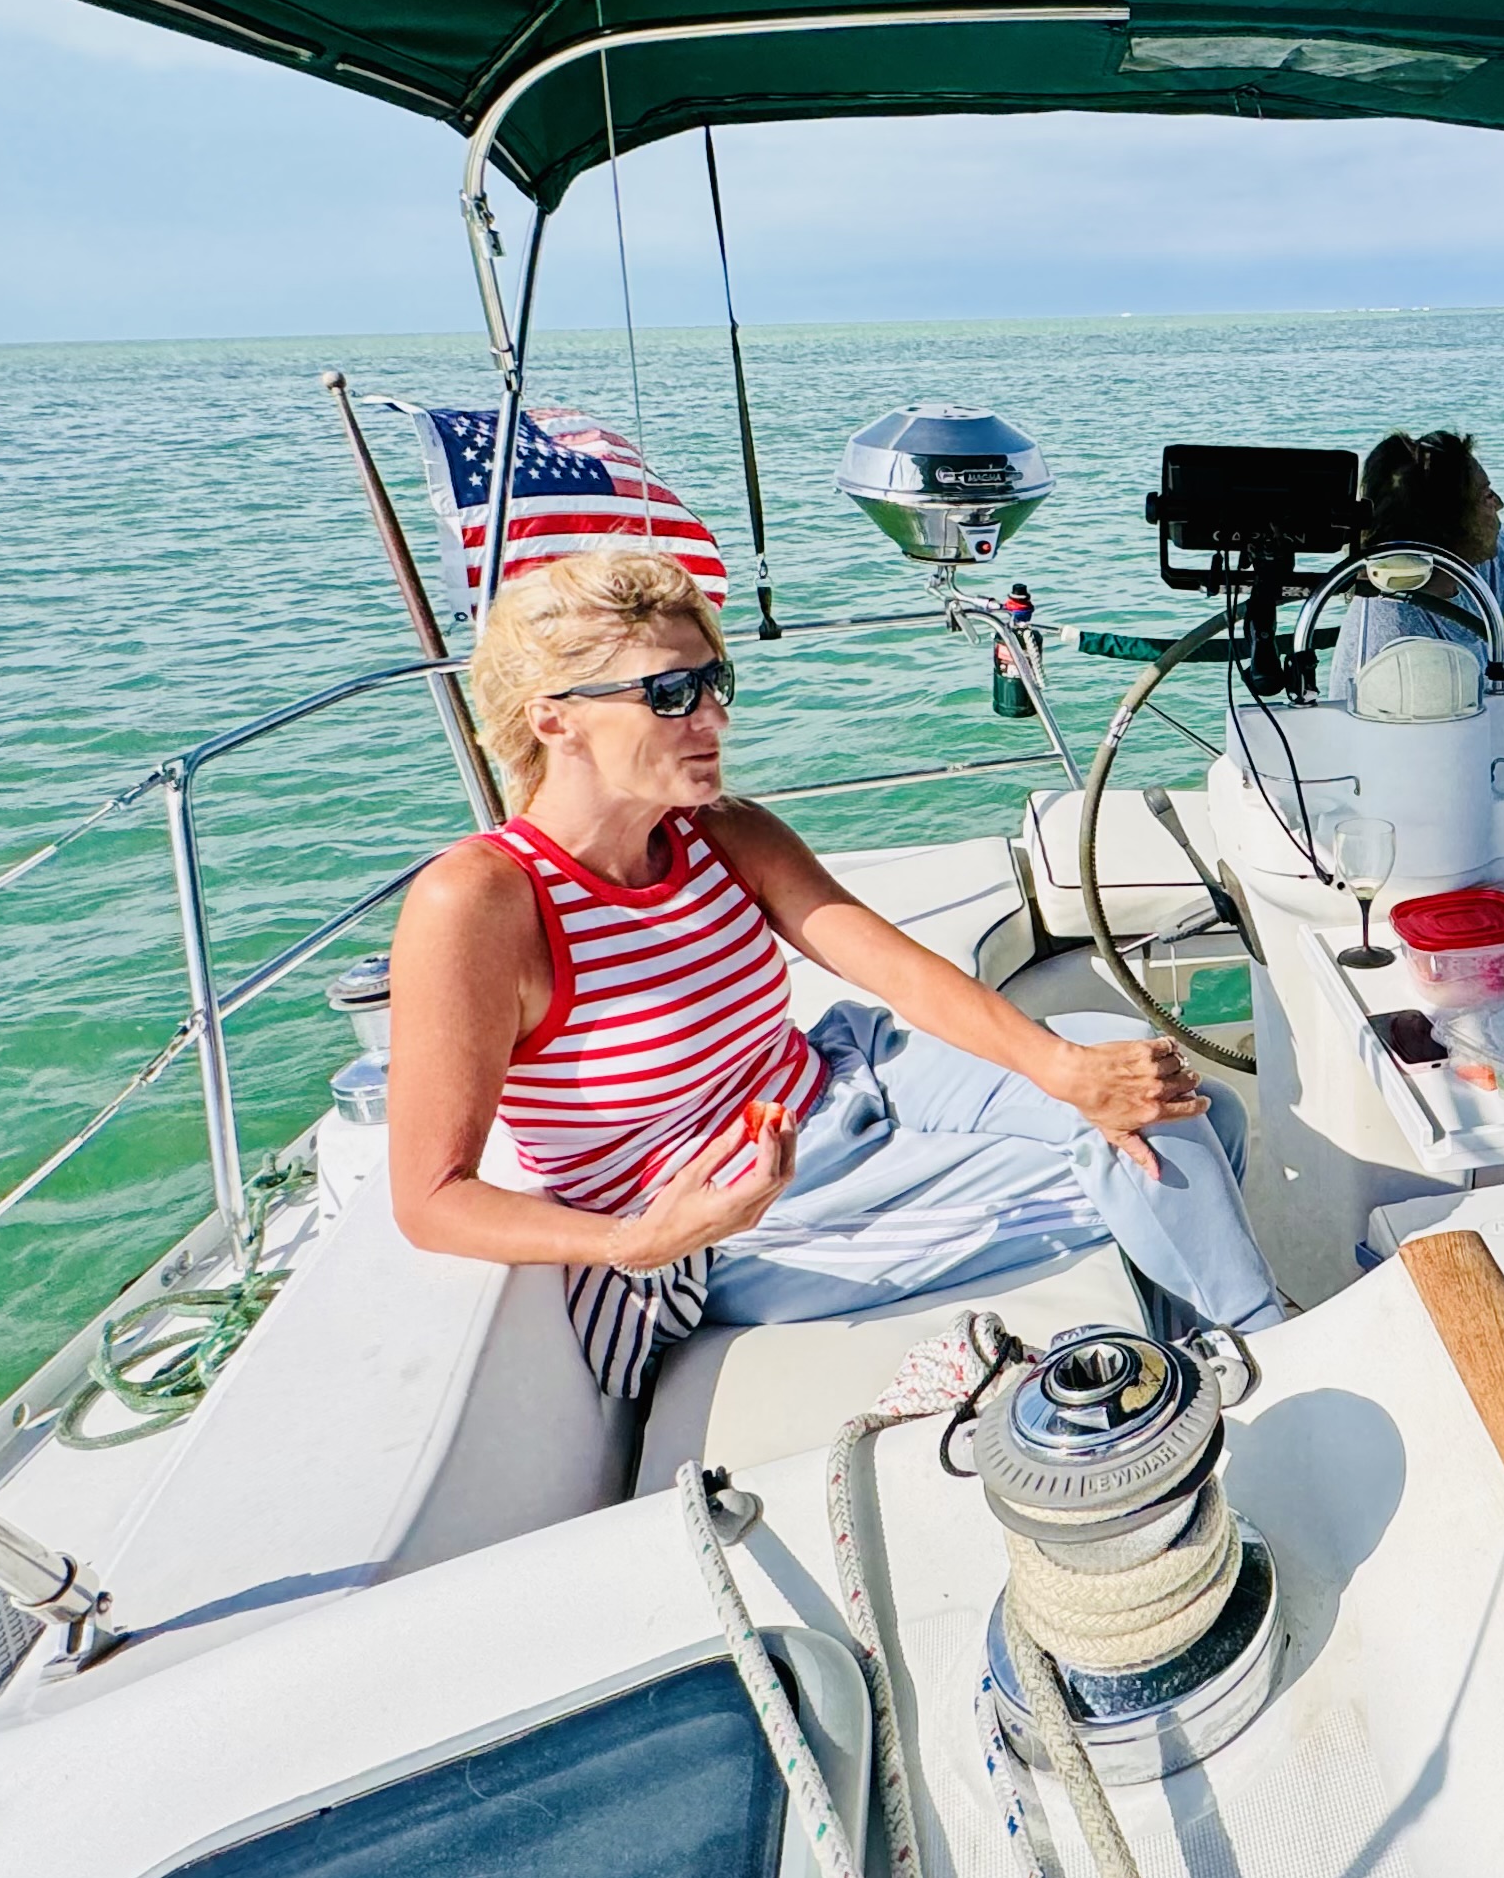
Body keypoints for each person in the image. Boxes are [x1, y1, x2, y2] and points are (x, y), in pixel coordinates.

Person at [389, 549, 1280, 1401]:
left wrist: (1064, 1070)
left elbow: (892, 968)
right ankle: (1265, 1356)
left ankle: (1204, 1365)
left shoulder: (719, 829)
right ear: (555, 716)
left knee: (1172, 1099)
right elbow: (432, 1201)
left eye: (713, 683)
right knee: (1147, 1160)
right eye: (670, 694)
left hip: (844, 1076)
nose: (713, 718)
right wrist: (641, 1239)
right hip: (748, 1216)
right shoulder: (478, 903)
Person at [1333, 429, 1504, 686]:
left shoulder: (1464, 573)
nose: (1499, 505)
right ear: (1446, 522)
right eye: (1487, 496)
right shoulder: (1397, 642)